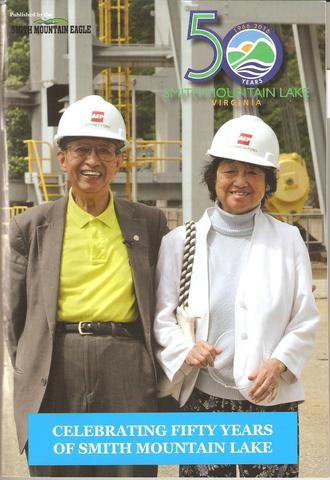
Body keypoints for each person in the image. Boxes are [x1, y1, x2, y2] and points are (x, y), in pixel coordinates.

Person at [7, 95, 168, 477]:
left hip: (127, 365)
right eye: (81, 150)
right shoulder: (31, 227)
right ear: (62, 158)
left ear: (119, 160)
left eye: (104, 150)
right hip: (55, 367)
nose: (92, 161)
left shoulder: (149, 222)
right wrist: (32, 367)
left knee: (131, 470)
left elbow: (168, 299)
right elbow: (14, 318)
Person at [154, 115, 319, 478]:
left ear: (268, 182)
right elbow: (163, 318)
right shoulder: (181, 243)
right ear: (214, 178)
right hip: (203, 400)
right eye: (230, 170)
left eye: (254, 172)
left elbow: (304, 318)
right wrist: (186, 350)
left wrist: (278, 364)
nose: (240, 182)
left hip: (270, 397)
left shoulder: (288, 241)